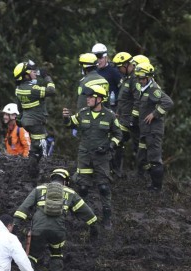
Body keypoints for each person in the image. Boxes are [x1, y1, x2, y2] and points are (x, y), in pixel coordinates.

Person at [14, 168, 98, 271]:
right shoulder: (70, 193)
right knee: (56, 254)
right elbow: (86, 212)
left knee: (32, 256)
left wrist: (16, 224)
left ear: (52, 179)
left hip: (38, 230)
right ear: (65, 181)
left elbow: (24, 208)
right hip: (58, 231)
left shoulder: (39, 189)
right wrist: (94, 226)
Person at [63, 85, 122, 229]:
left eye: (90, 97)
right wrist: (66, 118)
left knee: (103, 187)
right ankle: (82, 217)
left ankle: (107, 219)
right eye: (87, 97)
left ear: (99, 99)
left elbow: (118, 134)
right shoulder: (82, 113)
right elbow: (71, 124)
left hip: (101, 158)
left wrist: (110, 146)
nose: (87, 100)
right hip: (84, 156)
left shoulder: (110, 115)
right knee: (83, 187)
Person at [134, 62, 174, 191]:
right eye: (138, 78)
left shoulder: (153, 89)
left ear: (149, 77)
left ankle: (157, 187)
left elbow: (168, 102)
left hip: (153, 131)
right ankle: (147, 181)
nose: (140, 81)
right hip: (145, 131)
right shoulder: (144, 89)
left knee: (154, 158)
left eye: (142, 78)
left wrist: (154, 114)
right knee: (142, 157)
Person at [14, 60, 56, 178]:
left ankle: (31, 171)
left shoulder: (18, 89)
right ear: (26, 75)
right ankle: (43, 172)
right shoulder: (33, 89)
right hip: (36, 122)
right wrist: (47, 77)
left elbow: (19, 108)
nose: (35, 73)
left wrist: (20, 118)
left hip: (26, 122)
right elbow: (52, 90)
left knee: (34, 147)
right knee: (44, 145)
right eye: (32, 71)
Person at [111, 52, 140, 176]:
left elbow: (138, 100)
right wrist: (118, 112)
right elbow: (123, 99)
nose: (119, 70)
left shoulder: (135, 79)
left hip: (133, 121)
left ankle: (141, 174)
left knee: (139, 147)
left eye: (120, 67)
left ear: (127, 64)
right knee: (118, 142)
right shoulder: (126, 79)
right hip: (123, 119)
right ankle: (116, 171)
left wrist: (134, 118)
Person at [91, 43, 122, 109]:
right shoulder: (94, 71)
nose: (98, 61)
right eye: (96, 59)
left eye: (100, 58)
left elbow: (122, 90)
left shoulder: (114, 71)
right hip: (97, 107)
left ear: (106, 57)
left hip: (112, 107)